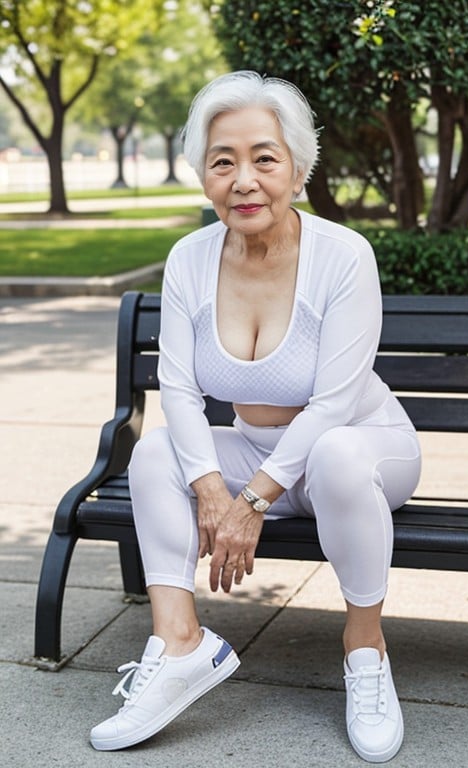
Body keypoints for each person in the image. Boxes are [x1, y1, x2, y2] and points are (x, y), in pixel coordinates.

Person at [90, 70, 421, 763]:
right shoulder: (189, 258)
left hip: (364, 450)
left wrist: (250, 500)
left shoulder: (343, 257)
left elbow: (333, 404)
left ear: (297, 169)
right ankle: (180, 643)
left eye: (264, 158)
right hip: (257, 451)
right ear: (204, 176)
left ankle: (365, 649)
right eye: (223, 161)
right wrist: (213, 488)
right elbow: (177, 389)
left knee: (333, 452)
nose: (244, 179)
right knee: (155, 453)